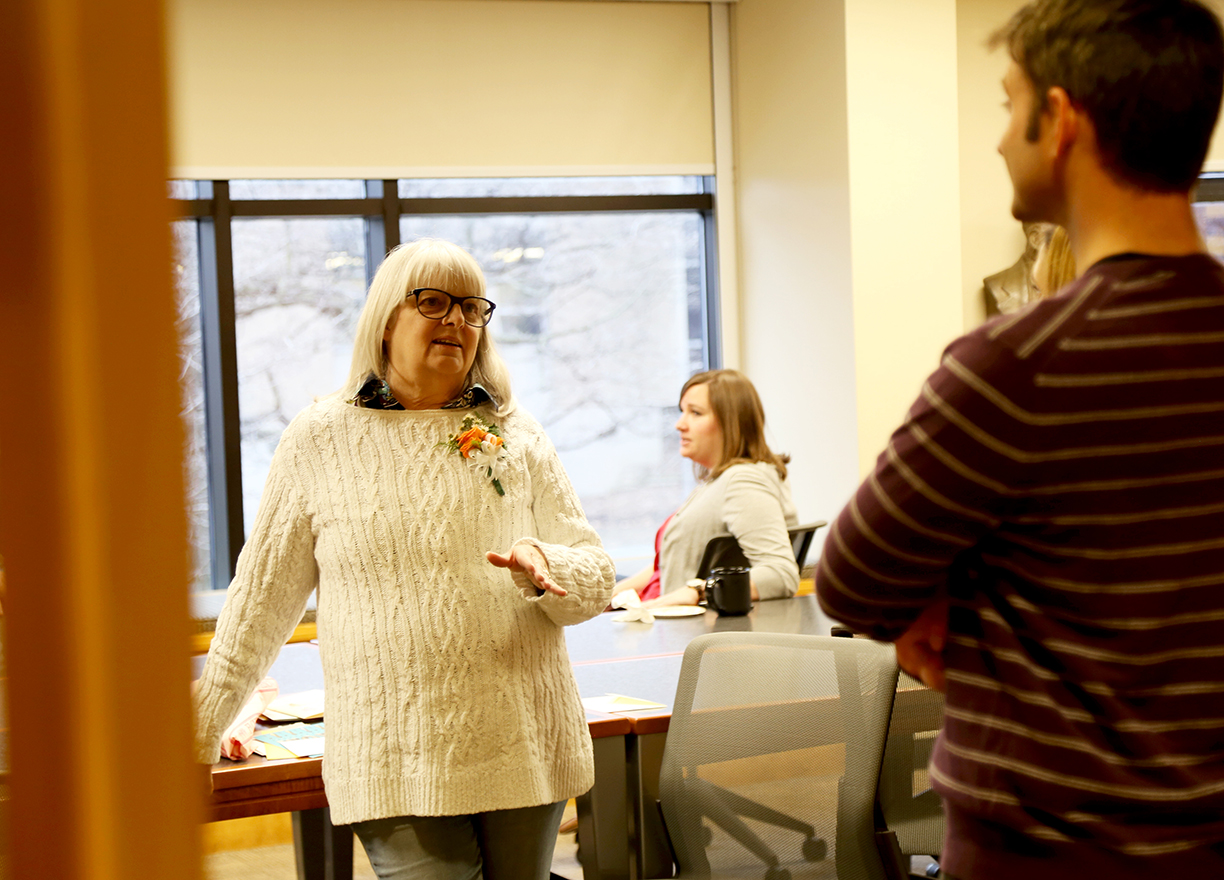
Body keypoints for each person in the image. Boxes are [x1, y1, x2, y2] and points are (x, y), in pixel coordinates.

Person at [816, 2, 1224, 878]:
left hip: (1048, 852)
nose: (1001, 139)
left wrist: (943, 598)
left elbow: (852, 580)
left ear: (1062, 121)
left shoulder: (1018, 366)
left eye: (1009, 105)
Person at [193, 238, 616, 880]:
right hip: (395, 753)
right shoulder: (319, 438)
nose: (456, 322)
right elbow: (259, 601)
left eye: (472, 309)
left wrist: (547, 564)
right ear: (387, 318)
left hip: (522, 736)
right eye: (434, 302)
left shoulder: (513, 431)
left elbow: (595, 571)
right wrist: (199, 732)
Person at [617, 369, 799, 607]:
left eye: (695, 413)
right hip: (657, 602)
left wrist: (699, 591)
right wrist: (608, 596)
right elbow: (663, 567)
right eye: (683, 412)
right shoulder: (720, 480)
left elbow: (781, 573)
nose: (680, 424)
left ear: (731, 423)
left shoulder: (743, 482)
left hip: (673, 623)